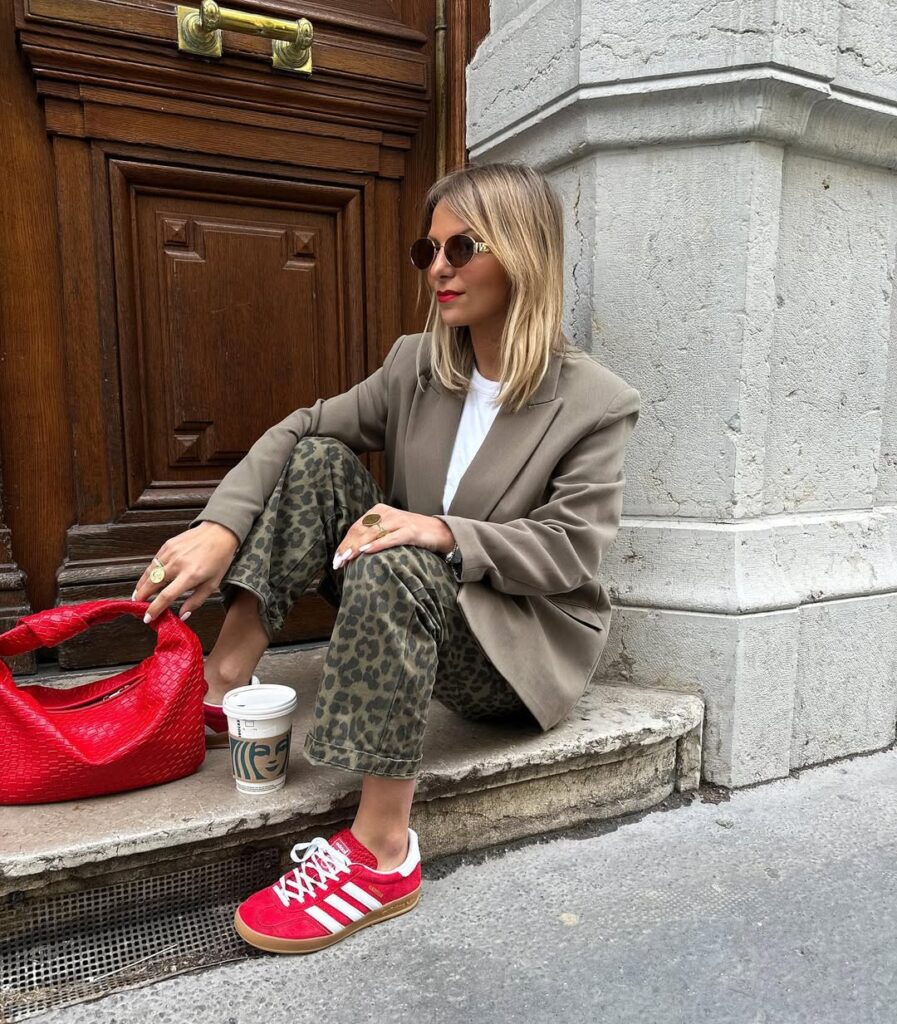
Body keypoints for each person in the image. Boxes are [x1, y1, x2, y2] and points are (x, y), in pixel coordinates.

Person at [131, 161, 640, 955]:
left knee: (397, 546)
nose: (438, 267)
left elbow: (569, 551)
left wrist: (441, 531)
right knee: (320, 461)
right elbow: (301, 428)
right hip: (412, 608)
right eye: (427, 250)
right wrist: (221, 529)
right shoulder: (417, 364)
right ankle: (221, 683)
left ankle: (380, 850)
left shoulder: (595, 401)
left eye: (462, 247)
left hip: (510, 652)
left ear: (522, 253)